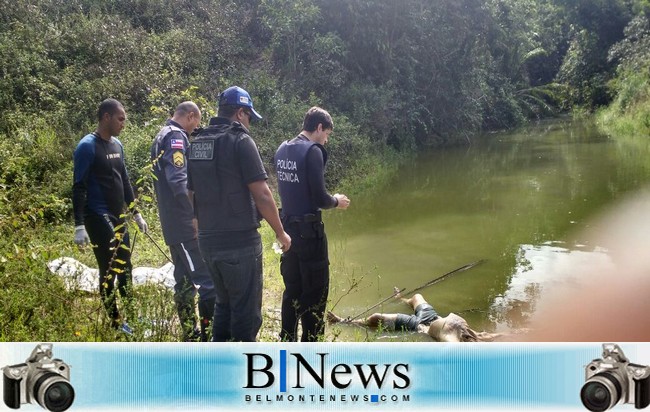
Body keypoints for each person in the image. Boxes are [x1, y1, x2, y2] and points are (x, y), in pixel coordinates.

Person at [187, 86, 291, 342]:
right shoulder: (240, 140)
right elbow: (263, 194)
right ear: (240, 113)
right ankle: (245, 370)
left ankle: (218, 365)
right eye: (249, 117)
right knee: (246, 312)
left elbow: (190, 193)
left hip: (208, 243)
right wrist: (281, 233)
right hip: (239, 244)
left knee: (223, 304)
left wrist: (198, 227)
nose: (249, 124)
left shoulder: (198, 141)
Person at [274, 106, 351, 342]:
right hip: (310, 233)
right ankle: (311, 346)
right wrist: (336, 201)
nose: (326, 140)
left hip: (287, 231)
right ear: (318, 127)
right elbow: (319, 198)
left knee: (292, 290)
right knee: (316, 293)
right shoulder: (313, 151)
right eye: (326, 134)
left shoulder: (282, 149)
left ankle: (287, 340)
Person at [72, 98, 148, 335]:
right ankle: (116, 323)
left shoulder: (118, 145)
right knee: (109, 268)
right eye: (120, 118)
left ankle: (132, 318)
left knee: (125, 266)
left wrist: (136, 214)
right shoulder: (87, 147)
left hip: (118, 217)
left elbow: (124, 181)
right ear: (106, 117)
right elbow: (79, 187)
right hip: (97, 215)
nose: (123, 123)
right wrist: (79, 225)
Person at [150, 101, 217, 342]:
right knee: (207, 281)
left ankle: (190, 333)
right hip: (184, 226)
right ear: (190, 116)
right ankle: (208, 337)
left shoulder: (162, 134)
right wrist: (194, 217)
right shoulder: (176, 138)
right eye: (195, 123)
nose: (194, 129)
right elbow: (179, 183)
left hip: (174, 223)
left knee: (184, 281)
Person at [327, 290, 499, 342]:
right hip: (431, 316)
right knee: (417, 297)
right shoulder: (475, 335)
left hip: (418, 326)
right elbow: (493, 336)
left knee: (375, 319)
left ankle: (342, 321)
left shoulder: (452, 339)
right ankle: (400, 298)